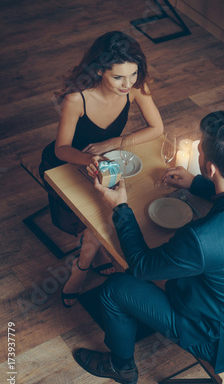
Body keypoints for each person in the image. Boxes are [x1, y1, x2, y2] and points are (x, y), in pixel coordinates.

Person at [73, 111, 224, 384]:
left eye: (200, 148)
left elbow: (141, 266)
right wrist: (194, 183)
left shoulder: (201, 238)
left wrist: (120, 207)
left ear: (210, 167)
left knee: (115, 288)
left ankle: (121, 366)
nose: (198, 150)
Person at [39, 31, 163, 307]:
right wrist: (90, 160)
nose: (127, 83)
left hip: (105, 161)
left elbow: (158, 128)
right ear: (98, 70)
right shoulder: (77, 98)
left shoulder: (137, 88)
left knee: (107, 208)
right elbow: (62, 149)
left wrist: (113, 141)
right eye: (118, 77)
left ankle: (82, 265)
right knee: (98, 213)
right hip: (66, 164)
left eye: (133, 74)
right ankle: (88, 262)